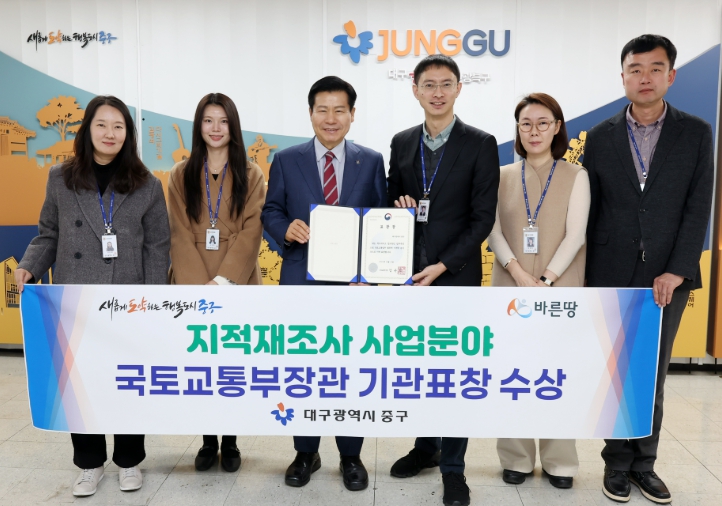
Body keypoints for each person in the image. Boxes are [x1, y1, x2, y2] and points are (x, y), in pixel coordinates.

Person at [14, 95, 170, 497]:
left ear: (128, 134)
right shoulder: (60, 178)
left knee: (127, 381)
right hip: (76, 299)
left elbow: (157, 247)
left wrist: (153, 303)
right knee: (80, 381)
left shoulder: (148, 184)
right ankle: (89, 463)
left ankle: (129, 460)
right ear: (87, 130)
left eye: (119, 127)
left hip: (128, 300)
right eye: (102, 125)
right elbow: (49, 233)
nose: (110, 133)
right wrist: (30, 265)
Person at [585, 35, 714, 504]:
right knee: (616, 373)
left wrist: (678, 270)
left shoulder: (695, 132)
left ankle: (645, 464)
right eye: (635, 69)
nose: (645, 78)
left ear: (671, 76)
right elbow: (590, 209)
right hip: (610, 272)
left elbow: (698, 205)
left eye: (655, 69)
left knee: (652, 374)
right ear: (622, 76)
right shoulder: (599, 136)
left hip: (667, 277)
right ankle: (616, 465)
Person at [261, 76, 386, 490]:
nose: (331, 118)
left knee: (351, 372)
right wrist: (285, 228)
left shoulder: (371, 161)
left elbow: (380, 219)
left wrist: (372, 276)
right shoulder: (286, 159)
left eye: (339, 110)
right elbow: (270, 211)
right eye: (322, 110)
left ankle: (350, 456)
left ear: (352, 114)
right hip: (302, 282)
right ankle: (305, 452)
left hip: (354, 288)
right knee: (303, 370)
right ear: (311, 113)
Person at [387, 54, 500, 506]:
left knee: (454, 374)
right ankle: (425, 447)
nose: (437, 92)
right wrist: (397, 207)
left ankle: (454, 469)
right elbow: (389, 199)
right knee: (418, 369)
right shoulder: (401, 141)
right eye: (429, 84)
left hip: (455, 277)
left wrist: (443, 265)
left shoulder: (481, 143)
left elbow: (482, 219)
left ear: (458, 89)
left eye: (445, 83)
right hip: (409, 278)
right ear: (415, 89)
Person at [487, 93, 589, 490]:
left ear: (557, 127)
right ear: (517, 129)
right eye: (526, 124)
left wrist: (545, 281)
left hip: (558, 290)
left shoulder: (576, 176)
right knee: (512, 373)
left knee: (556, 375)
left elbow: (576, 235)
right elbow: (493, 230)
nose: (534, 131)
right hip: (509, 287)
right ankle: (515, 457)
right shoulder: (501, 175)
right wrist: (516, 272)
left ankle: (560, 461)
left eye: (543, 123)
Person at [167, 93, 266, 473]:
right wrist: (198, 289)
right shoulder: (180, 174)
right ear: (199, 126)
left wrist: (223, 281)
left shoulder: (251, 173)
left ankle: (231, 440)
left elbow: (252, 230)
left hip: (237, 281)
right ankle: (209, 440)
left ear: (233, 126)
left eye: (223, 121)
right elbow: (177, 232)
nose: (215, 128)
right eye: (208, 120)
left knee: (232, 367)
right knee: (202, 367)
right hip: (192, 284)